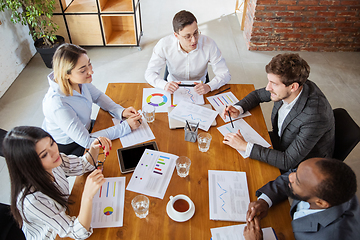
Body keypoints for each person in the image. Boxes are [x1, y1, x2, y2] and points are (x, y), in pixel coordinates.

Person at [222, 53, 334, 171]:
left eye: (274, 84)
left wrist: (245, 146)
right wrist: (239, 108)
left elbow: (287, 161)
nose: (267, 88)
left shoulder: (315, 116)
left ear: (293, 87)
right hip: (282, 141)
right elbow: (258, 95)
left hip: (304, 166)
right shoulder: (292, 85)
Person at [3, 126, 111, 240]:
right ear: (29, 164)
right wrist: (87, 196)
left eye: (51, 143)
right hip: (54, 236)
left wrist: (93, 148)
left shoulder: (53, 161)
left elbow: (82, 165)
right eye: (44, 155)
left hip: (65, 215)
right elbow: (76, 232)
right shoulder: (32, 200)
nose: (54, 152)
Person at [42, 43, 142, 156]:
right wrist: (127, 126)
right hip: (72, 145)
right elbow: (86, 141)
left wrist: (120, 111)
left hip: (87, 128)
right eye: (83, 70)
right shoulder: (57, 104)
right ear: (66, 75)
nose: (91, 71)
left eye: (89, 64)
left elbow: (98, 96)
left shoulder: (78, 81)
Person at [244, 158, 360, 240]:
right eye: (297, 170)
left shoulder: (330, 236)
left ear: (320, 202)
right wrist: (265, 200)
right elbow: (291, 176)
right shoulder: (321, 178)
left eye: (298, 181)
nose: (290, 176)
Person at [144, 10, 231, 95]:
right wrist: (164, 85)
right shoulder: (164, 45)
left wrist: (209, 86)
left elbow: (225, 74)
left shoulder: (209, 44)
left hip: (200, 89)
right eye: (187, 36)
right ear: (176, 36)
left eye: (196, 33)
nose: (194, 40)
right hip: (174, 89)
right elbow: (150, 73)